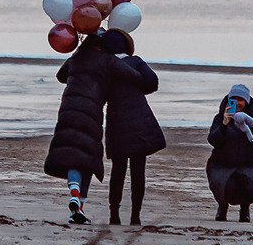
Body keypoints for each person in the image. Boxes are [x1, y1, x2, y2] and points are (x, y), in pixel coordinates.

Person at [43, 36, 115, 225]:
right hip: (90, 114)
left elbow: (60, 76)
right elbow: (131, 75)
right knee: (88, 159)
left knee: (73, 155)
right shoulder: (107, 60)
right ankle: (79, 204)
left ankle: (74, 194)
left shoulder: (75, 59)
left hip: (69, 109)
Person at [99, 29, 163, 225]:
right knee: (138, 170)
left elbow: (100, 93)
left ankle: (114, 214)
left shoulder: (106, 65)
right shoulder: (136, 62)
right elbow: (153, 82)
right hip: (139, 118)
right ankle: (135, 215)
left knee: (118, 170)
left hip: (116, 120)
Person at [206, 83, 253, 222]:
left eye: (240, 100)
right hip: (221, 164)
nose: (237, 103)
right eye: (233, 99)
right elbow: (213, 140)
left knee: (248, 182)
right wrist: (224, 124)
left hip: (247, 164)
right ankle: (222, 207)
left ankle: (245, 209)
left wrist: (251, 123)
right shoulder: (219, 118)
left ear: (246, 102)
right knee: (222, 184)